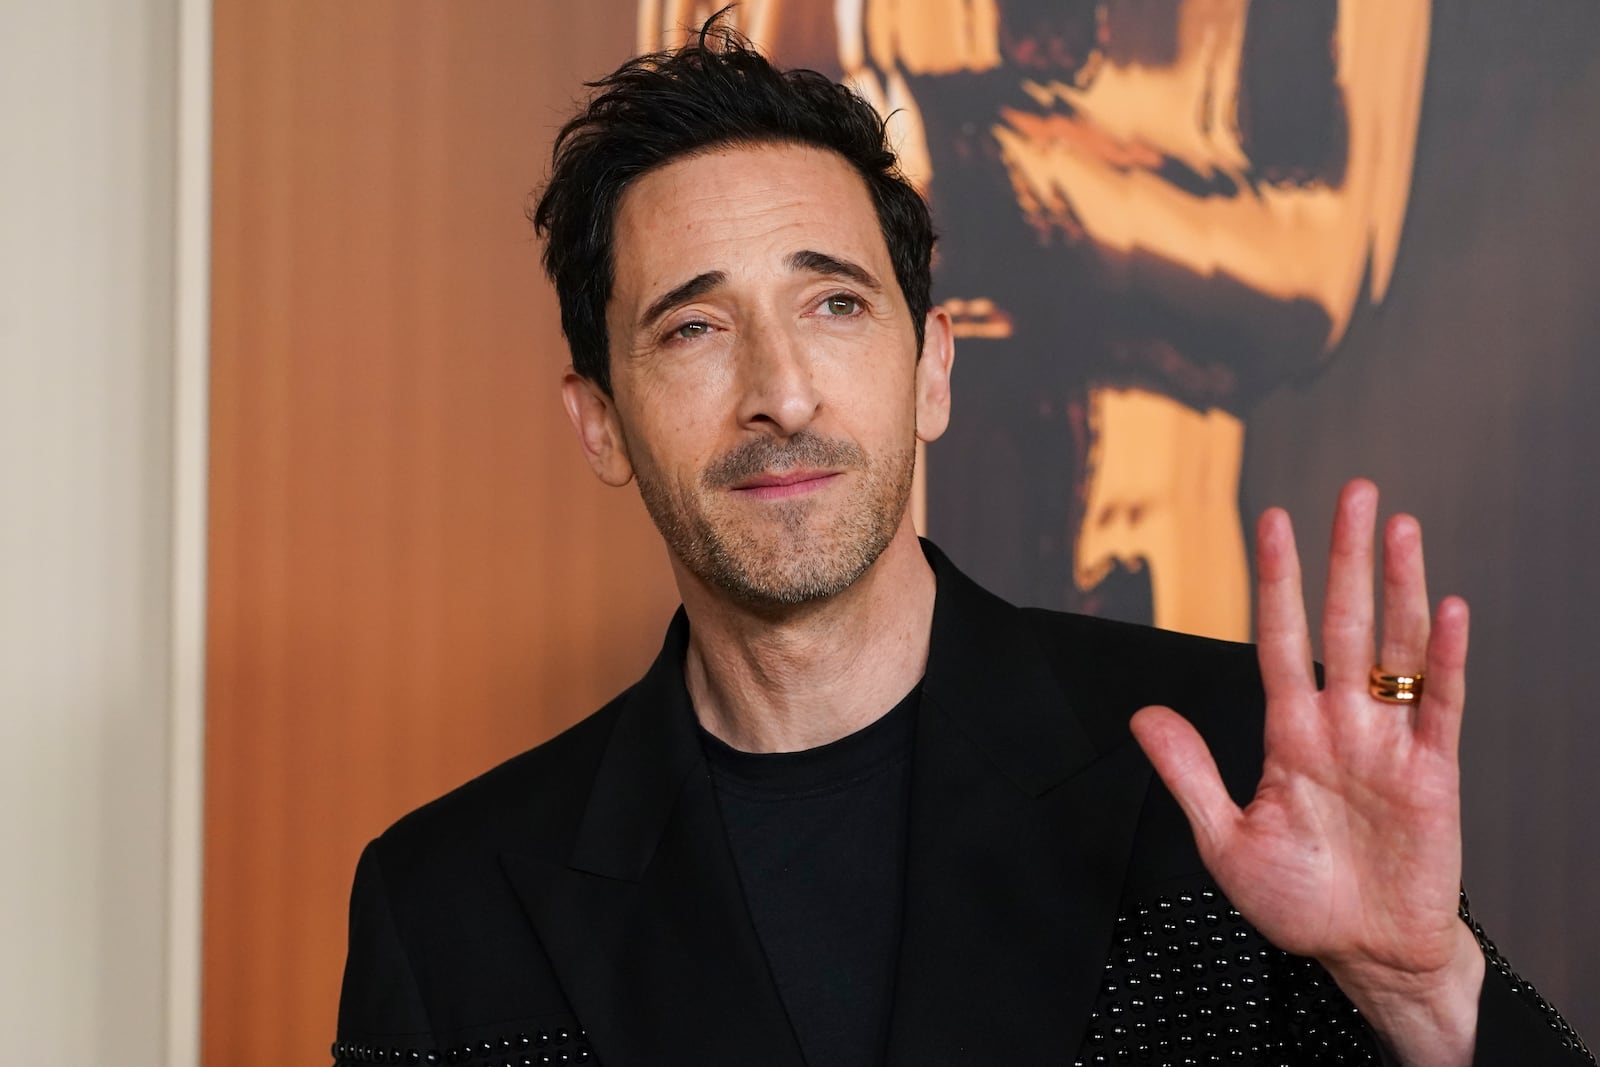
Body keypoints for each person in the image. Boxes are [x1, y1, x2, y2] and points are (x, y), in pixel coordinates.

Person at [333, 20, 1591, 1067]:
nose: (782, 391)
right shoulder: (448, 903)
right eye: (692, 329)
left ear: (931, 369)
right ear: (599, 420)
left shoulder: (1235, 769)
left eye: (834, 303)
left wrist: (1425, 993)